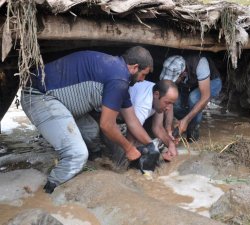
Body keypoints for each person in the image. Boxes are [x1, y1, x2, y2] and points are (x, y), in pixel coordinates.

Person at [21, 46, 155, 193]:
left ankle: (95, 164)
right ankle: (48, 190)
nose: (143, 80)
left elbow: (132, 120)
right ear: (135, 67)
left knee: (91, 132)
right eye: (144, 75)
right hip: (38, 96)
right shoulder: (119, 78)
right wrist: (129, 149)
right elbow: (107, 125)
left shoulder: (117, 71)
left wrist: (150, 145)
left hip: (59, 100)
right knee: (77, 154)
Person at [160, 54, 222, 141]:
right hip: (192, 85)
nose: (172, 82)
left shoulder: (201, 64)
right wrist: (168, 127)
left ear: (183, 74)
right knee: (175, 102)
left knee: (193, 98)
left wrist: (186, 120)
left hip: (213, 83)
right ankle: (187, 123)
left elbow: (205, 97)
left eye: (174, 80)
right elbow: (169, 102)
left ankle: (193, 126)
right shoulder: (172, 67)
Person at [128, 80, 179, 161]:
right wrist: (156, 153)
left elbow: (158, 127)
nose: (169, 108)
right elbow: (131, 135)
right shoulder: (143, 103)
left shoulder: (159, 97)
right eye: (167, 102)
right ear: (156, 94)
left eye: (171, 103)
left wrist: (170, 144)